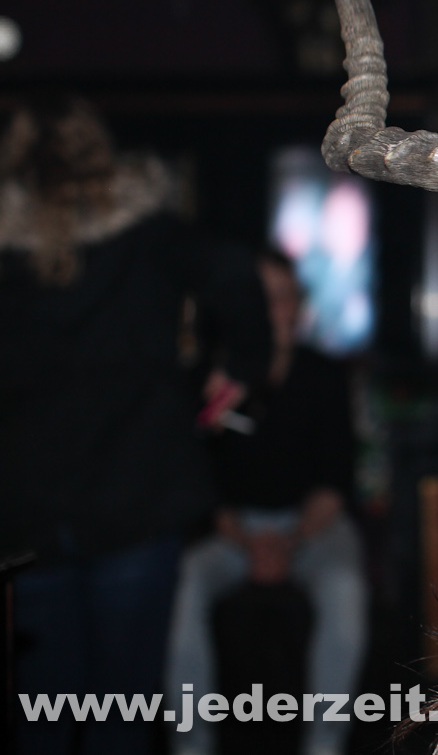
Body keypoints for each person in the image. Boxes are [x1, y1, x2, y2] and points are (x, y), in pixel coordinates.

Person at [0, 98, 268, 755]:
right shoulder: (149, 233)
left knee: (41, 706)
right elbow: (236, 270)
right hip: (137, 491)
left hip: (26, 503)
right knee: (121, 707)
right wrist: (238, 368)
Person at [166, 250, 367, 755]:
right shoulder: (213, 380)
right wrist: (247, 540)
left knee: (345, 587)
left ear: (299, 305)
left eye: (283, 296)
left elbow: (336, 481)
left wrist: (291, 540)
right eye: (261, 297)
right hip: (231, 529)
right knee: (181, 585)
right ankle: (191, 744)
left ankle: (324, 744)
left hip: (312, 526)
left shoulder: (325, 375)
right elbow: (197, 479)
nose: (273, 309)